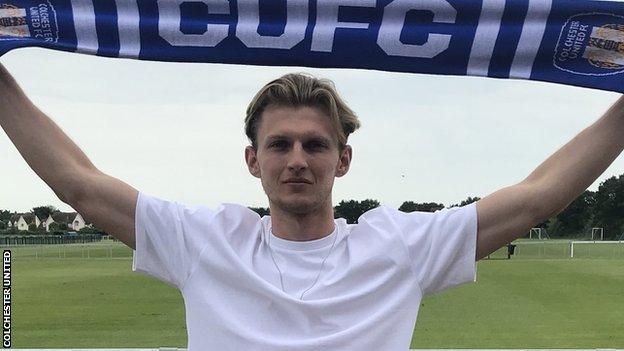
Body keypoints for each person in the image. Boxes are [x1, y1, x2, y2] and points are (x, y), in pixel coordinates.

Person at [1, 63, 623, 350]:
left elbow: (542, 195)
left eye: (315, 145)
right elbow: (77, 183)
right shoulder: (202, 241)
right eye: (279, 144)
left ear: (342, 161)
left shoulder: (397, 248)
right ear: (253, 161)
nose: (297, 158)